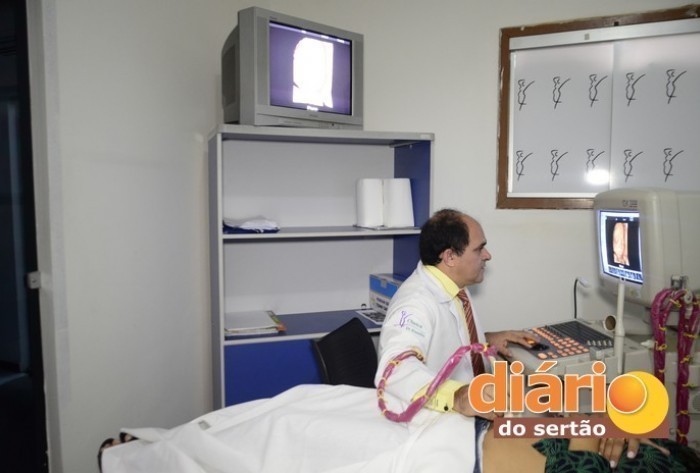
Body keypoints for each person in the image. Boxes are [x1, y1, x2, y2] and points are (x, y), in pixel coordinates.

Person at [374, 208, 675, 471]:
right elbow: (395, 370)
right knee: (588, 434)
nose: (488, 255)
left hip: (482, 419)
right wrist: (460, 396)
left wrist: (488, 339)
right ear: (450, 257)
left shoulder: (452, 288)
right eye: (480, 249)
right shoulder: (415, 303)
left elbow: (442, 340)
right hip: (454, 431)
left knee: (587, 425)